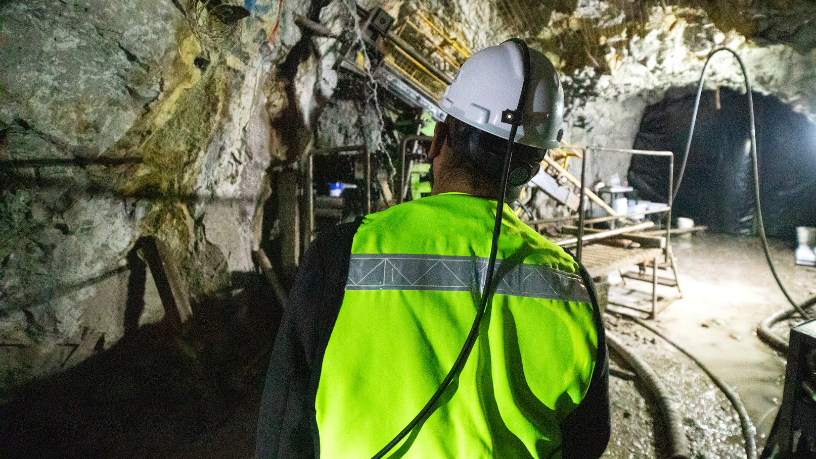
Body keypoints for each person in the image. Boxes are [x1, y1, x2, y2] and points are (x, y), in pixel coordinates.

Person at [255, 39, 610, 459]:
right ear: (531, 168)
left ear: (438, 138)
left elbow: (282, 432)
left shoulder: (339, 255)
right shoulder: (571, 287)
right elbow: (587, 441)